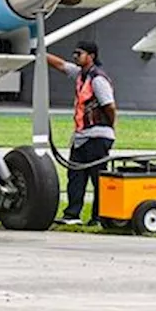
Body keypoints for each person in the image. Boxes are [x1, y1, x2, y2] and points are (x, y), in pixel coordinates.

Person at [46, 40, 116, 226]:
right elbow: (61, 65)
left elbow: (110, 106)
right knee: (75, 176)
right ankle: (72, 214)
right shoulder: (81, 74)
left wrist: (108, 127)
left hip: (97, 135)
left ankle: (99, 216)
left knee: (97, 178)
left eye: (79, 53)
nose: (75, 56)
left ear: (91, 56)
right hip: (81, 136)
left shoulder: (98, 79)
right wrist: (39, 55)